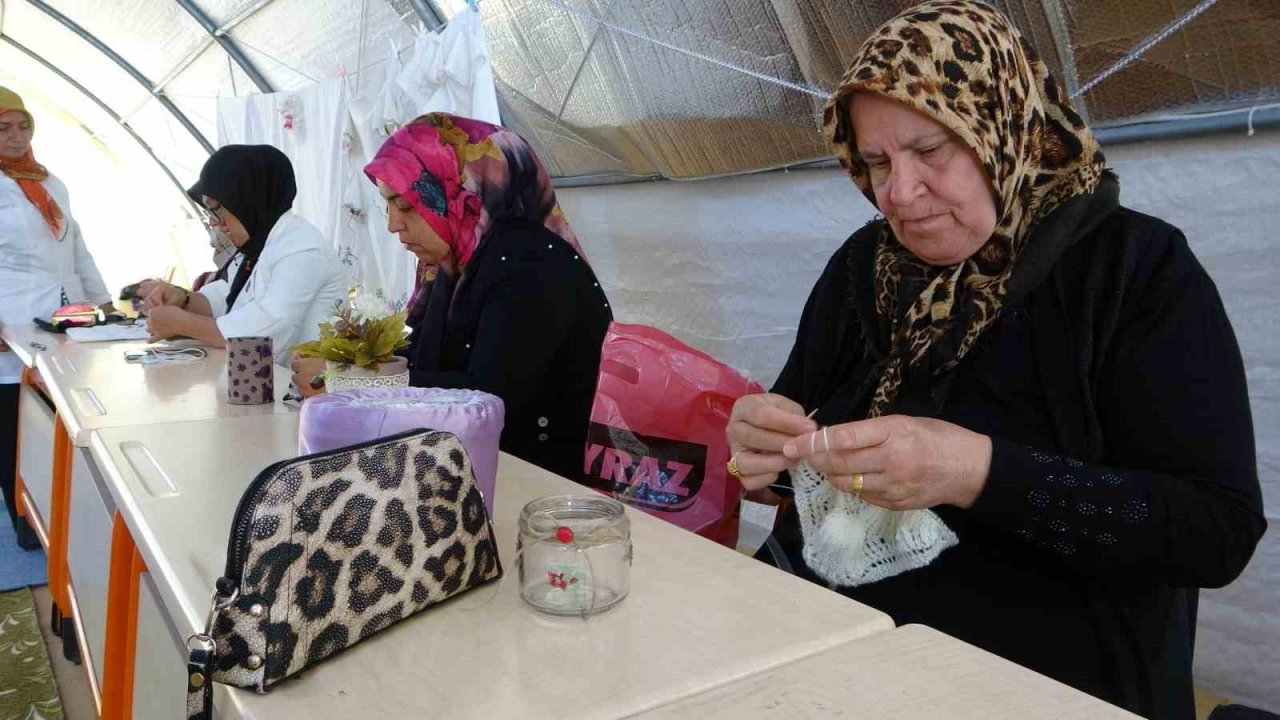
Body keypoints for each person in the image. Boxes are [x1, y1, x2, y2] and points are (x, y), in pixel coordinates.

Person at [724, 3, 1265, 718]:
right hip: (841, 656)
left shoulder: (1132, 270)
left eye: (930, 149)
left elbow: (1213, 533)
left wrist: (977, 473)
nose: (898, 193)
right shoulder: (865, 268)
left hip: (1044, 689)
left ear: (1003, 125)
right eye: (877, 162)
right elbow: (798, 443)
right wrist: (766, 453)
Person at [292, 113, 612, 481]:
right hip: (479, 471)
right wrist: (346, 364)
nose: (393, 224)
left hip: (542, 486)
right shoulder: (455, 266)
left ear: (462, 192)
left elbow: (487, 395)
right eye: (387, 206)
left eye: (406, 205)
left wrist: (348, 383)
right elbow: (419, 359)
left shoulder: (530, 263)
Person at [0, 86, 112, 546]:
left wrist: (103, 303)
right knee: (16, 431)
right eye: (3, 128)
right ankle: (28, 526)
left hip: (67, 319)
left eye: (23, 126)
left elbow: (76, 248)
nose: (17, 137)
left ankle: (68, 520)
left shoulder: (51, 182)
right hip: (11, 326)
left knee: (63, 422)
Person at [140, 145, 347, 365]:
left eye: (217, 209)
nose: (215, 223)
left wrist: (182, 323)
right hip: (265, 378)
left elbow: (264, 330)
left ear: (245, 199)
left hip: (300, 384)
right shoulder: (258, 246)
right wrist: (184, 299)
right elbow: (226, 300)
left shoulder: (302, 248)